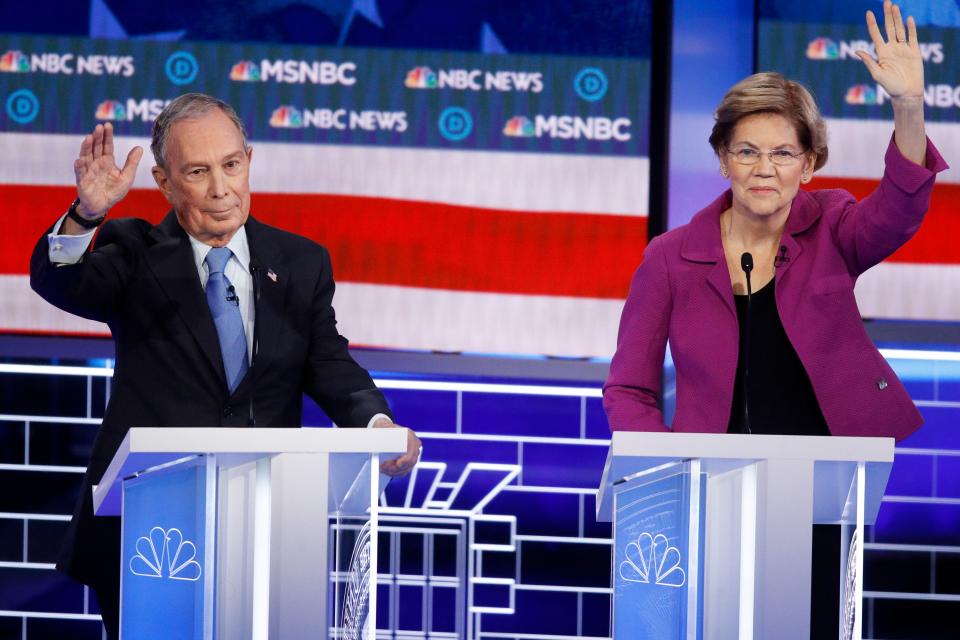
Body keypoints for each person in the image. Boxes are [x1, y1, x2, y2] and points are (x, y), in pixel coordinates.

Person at [29, 93, 422, 639]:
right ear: (165, 183)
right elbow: (59, 281)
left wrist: (377, 425)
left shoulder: (301, 263)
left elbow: (329, 363)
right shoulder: (135, 253)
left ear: (249, 161)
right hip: (148, 535)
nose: (221, 189)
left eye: (231, 165)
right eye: (197, 171)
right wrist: (87, 215)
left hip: (268, 526)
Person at [604, 1, 947, 439]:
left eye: (783, 153)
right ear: (724, 161)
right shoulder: (670, 258)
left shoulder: (832, 227)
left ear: (808, 165)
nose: (764, 168)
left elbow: (899, 212)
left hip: (828, 470)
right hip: (709, 479)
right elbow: (630, 388)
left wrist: (910, 107)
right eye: (747, 151)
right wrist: (666, 470)